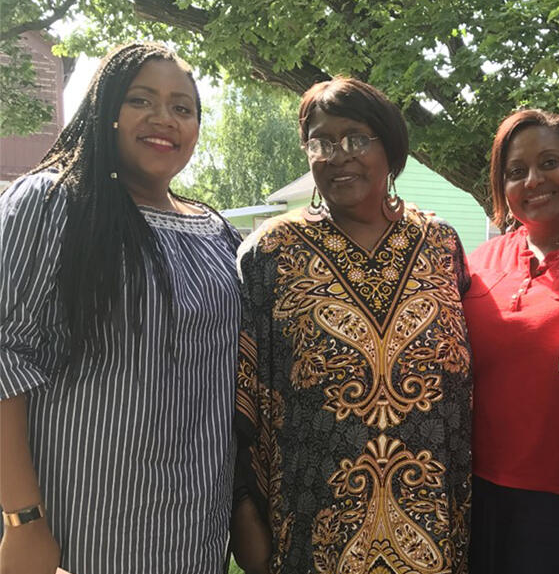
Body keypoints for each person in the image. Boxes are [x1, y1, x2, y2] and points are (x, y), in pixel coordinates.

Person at [0, 43, 242, 574]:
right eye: (141, 100)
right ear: (105, 111)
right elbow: (5, 362)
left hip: (195, 531)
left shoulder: (213, 230)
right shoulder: (52, 203)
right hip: (86, 532)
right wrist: (23, 522)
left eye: (183, 107)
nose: (164, 119)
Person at [231, 77, 472, 574]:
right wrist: (243, 515)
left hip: (431, 531)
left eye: (357, 139)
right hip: (312, 529)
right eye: (321, 142)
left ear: (390, 147)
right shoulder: (272, 253)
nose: (338, 155)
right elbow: (238, 395)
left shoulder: (440, 245)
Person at [463, 110, 559, 572]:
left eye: (550, 162)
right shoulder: (478, 261)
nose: (533, 180)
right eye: (516, 172)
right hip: (475, 490)